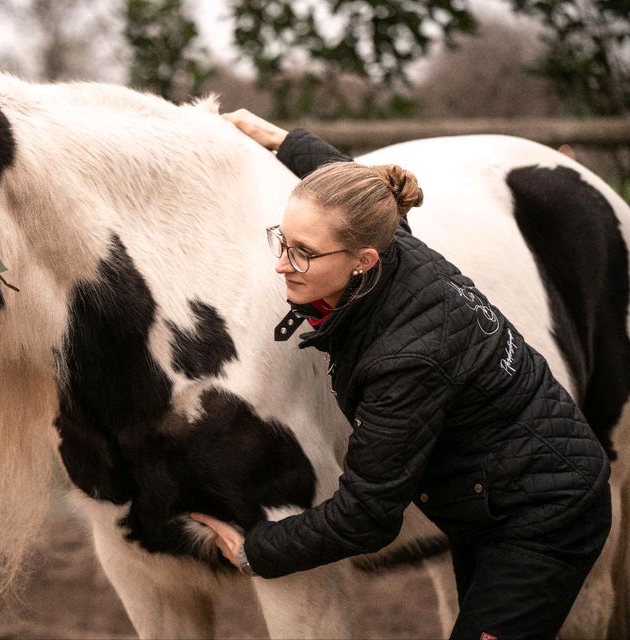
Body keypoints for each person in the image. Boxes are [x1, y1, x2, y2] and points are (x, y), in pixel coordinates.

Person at [190, 110, 612, 640]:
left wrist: (255, 550)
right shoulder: (392, 242)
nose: (281, 264)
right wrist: (279, 139)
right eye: (283, 239)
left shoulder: (406, 361)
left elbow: (367, 514)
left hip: (543, 519)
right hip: (493, 497)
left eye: (303, 253)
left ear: (364, 260)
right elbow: (348, 183)